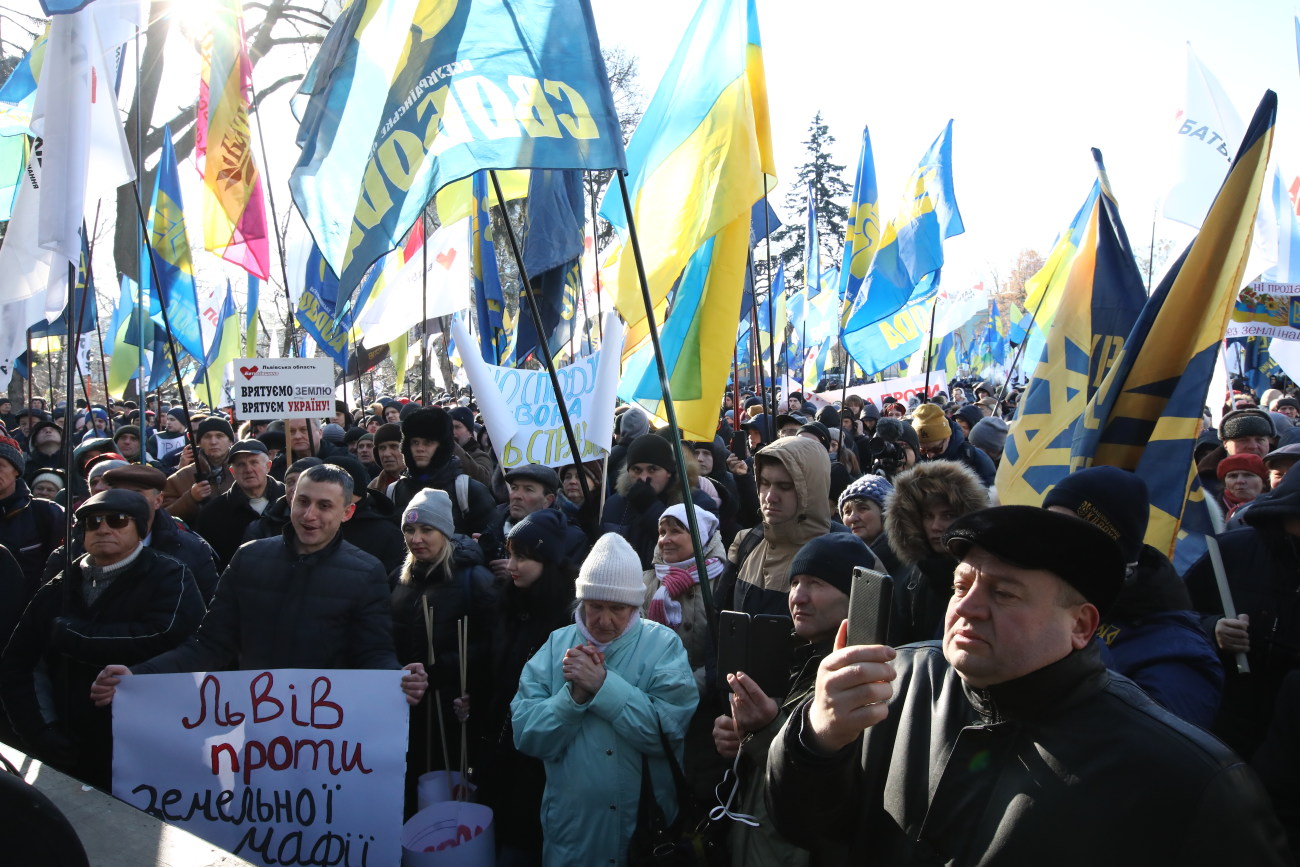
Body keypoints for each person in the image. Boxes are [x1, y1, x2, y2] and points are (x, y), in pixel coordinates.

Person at [766, 506, 1290, 865]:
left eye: (1005, 594)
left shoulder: (1188, 778)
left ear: (1081, 625)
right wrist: (817, 739)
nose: (967, 608)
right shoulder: (894, 681)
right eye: (962, 585)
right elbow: (806, 827)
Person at [89, 464, 428, 708]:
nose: (309, 515)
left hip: (324, 727)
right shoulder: (249, 558)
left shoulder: (366, 571)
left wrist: (397, 679)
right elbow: (209, 645)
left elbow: (373, 652)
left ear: (347, 513)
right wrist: (138, 675)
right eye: (302, 502)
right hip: (250, 717)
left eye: (324, 506)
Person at [512, 533, 697, 866]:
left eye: (618, 609)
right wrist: (573, 697)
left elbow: (666, 735)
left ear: (635, 607)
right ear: (581, 601)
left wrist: (602, 686)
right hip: (571, 833)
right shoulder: (556, 647)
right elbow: (527, 736)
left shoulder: (664, 646)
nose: (604, 620)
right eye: (595, 606)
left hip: (644, 834)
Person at [0, 490, 204, 788]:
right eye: (92, 522)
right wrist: (40, 733)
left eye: (117, 520)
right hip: (70, 750)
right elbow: (19, 665)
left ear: (141, 528)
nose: (103, 528)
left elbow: (167, 632)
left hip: (152, 749)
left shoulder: (170, 575)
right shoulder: (58, 588)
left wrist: (78, 636)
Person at [713, 533, 873, 867]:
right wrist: (742, 736)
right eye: (795, 582)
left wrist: (767, 728)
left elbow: (832, 788)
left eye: (817, 583)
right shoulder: (793, 660)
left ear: (854, 596)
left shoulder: (864, 677)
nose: (798, 596)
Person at [1044, 466, 1223, 728]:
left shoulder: (1177, 654)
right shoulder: (1053, 603)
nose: (1051, 544)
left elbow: (1161, 751)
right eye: (1049, 526)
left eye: (1071, 531)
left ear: (1112, 543)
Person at [477, 508, 579, 864]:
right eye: (510, 555)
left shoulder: (566, 618)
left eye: (523, 557)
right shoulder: (506, 602)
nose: (512, 565)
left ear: (547, 560)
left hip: (539, 754)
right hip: (501, 739)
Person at [390, 489, 498, 817]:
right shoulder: (398, 579)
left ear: (445, 533)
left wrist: (440, 671)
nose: (416, 538)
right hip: (405, 709)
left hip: (451, 711)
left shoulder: (474, 579)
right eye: (409, 530)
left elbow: (492, 645)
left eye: (426, 530)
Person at [882, 460, 988, 644]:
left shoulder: (985, 575)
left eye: (948, 515)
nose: (936, 526)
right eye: (927, 516)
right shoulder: (909, 578)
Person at [643, 503, 727, 695]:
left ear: (700, 536)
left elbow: (727, 649)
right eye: (662, 532)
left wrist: (691, 686)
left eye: (675, 531)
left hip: (708, 696)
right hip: (655, 691)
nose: (665, 540)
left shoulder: (724, 582)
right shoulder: (645, 582)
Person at [601, 431, 717, 570]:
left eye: (652, 469)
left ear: (669, 472)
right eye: (636, 470)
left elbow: (695, 551)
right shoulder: (615, 504)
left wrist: (650, 508)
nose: (644, 478)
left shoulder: (696, 503)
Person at [387, 408, 495, 533]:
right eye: (415, 442)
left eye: (428, 442)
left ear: (442, 445)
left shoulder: (468, 490)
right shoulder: (394, 491)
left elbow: (489, 543)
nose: (420, 448)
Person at [193, 439, 284, 568]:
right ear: (232, 472)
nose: (248, 469)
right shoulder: (213, 513)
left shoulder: (290, 502)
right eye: (241, 464)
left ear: (268, 466)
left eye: (254, 462)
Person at [161, 416, 236, 522]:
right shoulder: (180, 478)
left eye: (220, 436)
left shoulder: (244, 472)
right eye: (207, 436)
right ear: (199, 442)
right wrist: (191, 498)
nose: (213, 442)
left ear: (231, 441)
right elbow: (164, 517)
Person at [910, 403, 996, 486]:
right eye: (923, 450)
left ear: (948, 437)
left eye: (936, 449)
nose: (929, 455)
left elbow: (990, 494)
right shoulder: (911, 460)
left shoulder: (974, 458)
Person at [836, 475, 897, 574]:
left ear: (886, 513)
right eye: (847, 512)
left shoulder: (910, 563)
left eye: (863, 508)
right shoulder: (839, 562)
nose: (852, 518)